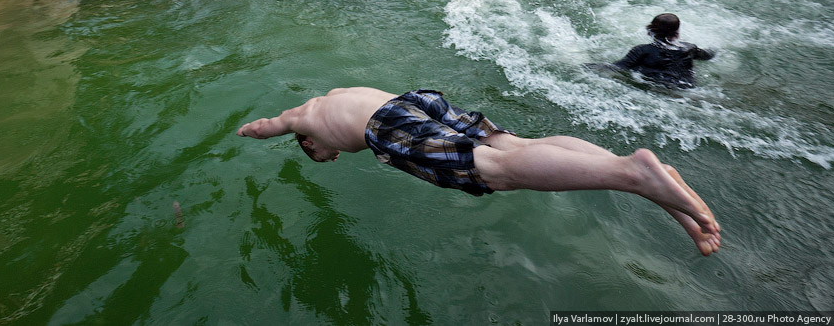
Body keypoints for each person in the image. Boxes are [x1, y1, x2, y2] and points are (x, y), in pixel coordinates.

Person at [237, 87, 722, 257]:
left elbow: (266, 125)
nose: (332, 156)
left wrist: (249, 131)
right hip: (413, 101)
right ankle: (653, 185)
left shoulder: (301, 122)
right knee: (518, 146)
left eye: (322, 156)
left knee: (498, 171)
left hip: (387, 125)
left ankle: (634, 175)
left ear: (307, 143)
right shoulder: (334, 96)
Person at [606, 13, 715, 88]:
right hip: (688, 89)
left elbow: (617, 67)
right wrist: (715, 48)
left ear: (650, 31)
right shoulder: (690, 48)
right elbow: (708, 55)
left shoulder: (642, 50)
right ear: (677, 34)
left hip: (658, 89)